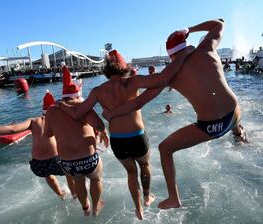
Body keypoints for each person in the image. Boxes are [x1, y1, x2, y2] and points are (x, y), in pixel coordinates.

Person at [103, 19, 248, 210]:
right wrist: (190, 29)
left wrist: (113, 113)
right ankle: (240, 135)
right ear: (186, 44)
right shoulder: (206, 48)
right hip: (235, 112)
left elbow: (139, 102)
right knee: (230, 110)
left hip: (213, 125)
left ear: (171, 56)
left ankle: (173, 197)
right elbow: (220, 23)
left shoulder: (171, 74)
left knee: (165, 149)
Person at [58, 50, 191, 219]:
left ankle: (138, 209)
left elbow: (78, 114)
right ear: (124, 67)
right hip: (137, 136)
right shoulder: (132, 82)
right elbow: (163, 78)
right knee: (144, 166)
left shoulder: (98, 91)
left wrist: (62, 105)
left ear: (107, 70)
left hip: (118, 140)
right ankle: (146, 197)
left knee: (131, 173)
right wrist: (182, 57)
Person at [0, 90, 76, 200]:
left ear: (42, 111)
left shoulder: (33, 121)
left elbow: (12, 129)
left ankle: (60, 195)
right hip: (56, 161)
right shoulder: (59, 120)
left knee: (48, 175)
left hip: (38, 165)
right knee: (69, 174)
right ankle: (74, 194)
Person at [44, 66, 108, 216]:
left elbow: (48, 134)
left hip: (68, 163)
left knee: (78, 182)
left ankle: (85, 208)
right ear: (77, 95)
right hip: (88, 159)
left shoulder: (52, 111)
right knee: (95, 179)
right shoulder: (82, 106)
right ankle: (96, 206)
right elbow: (99, 125)